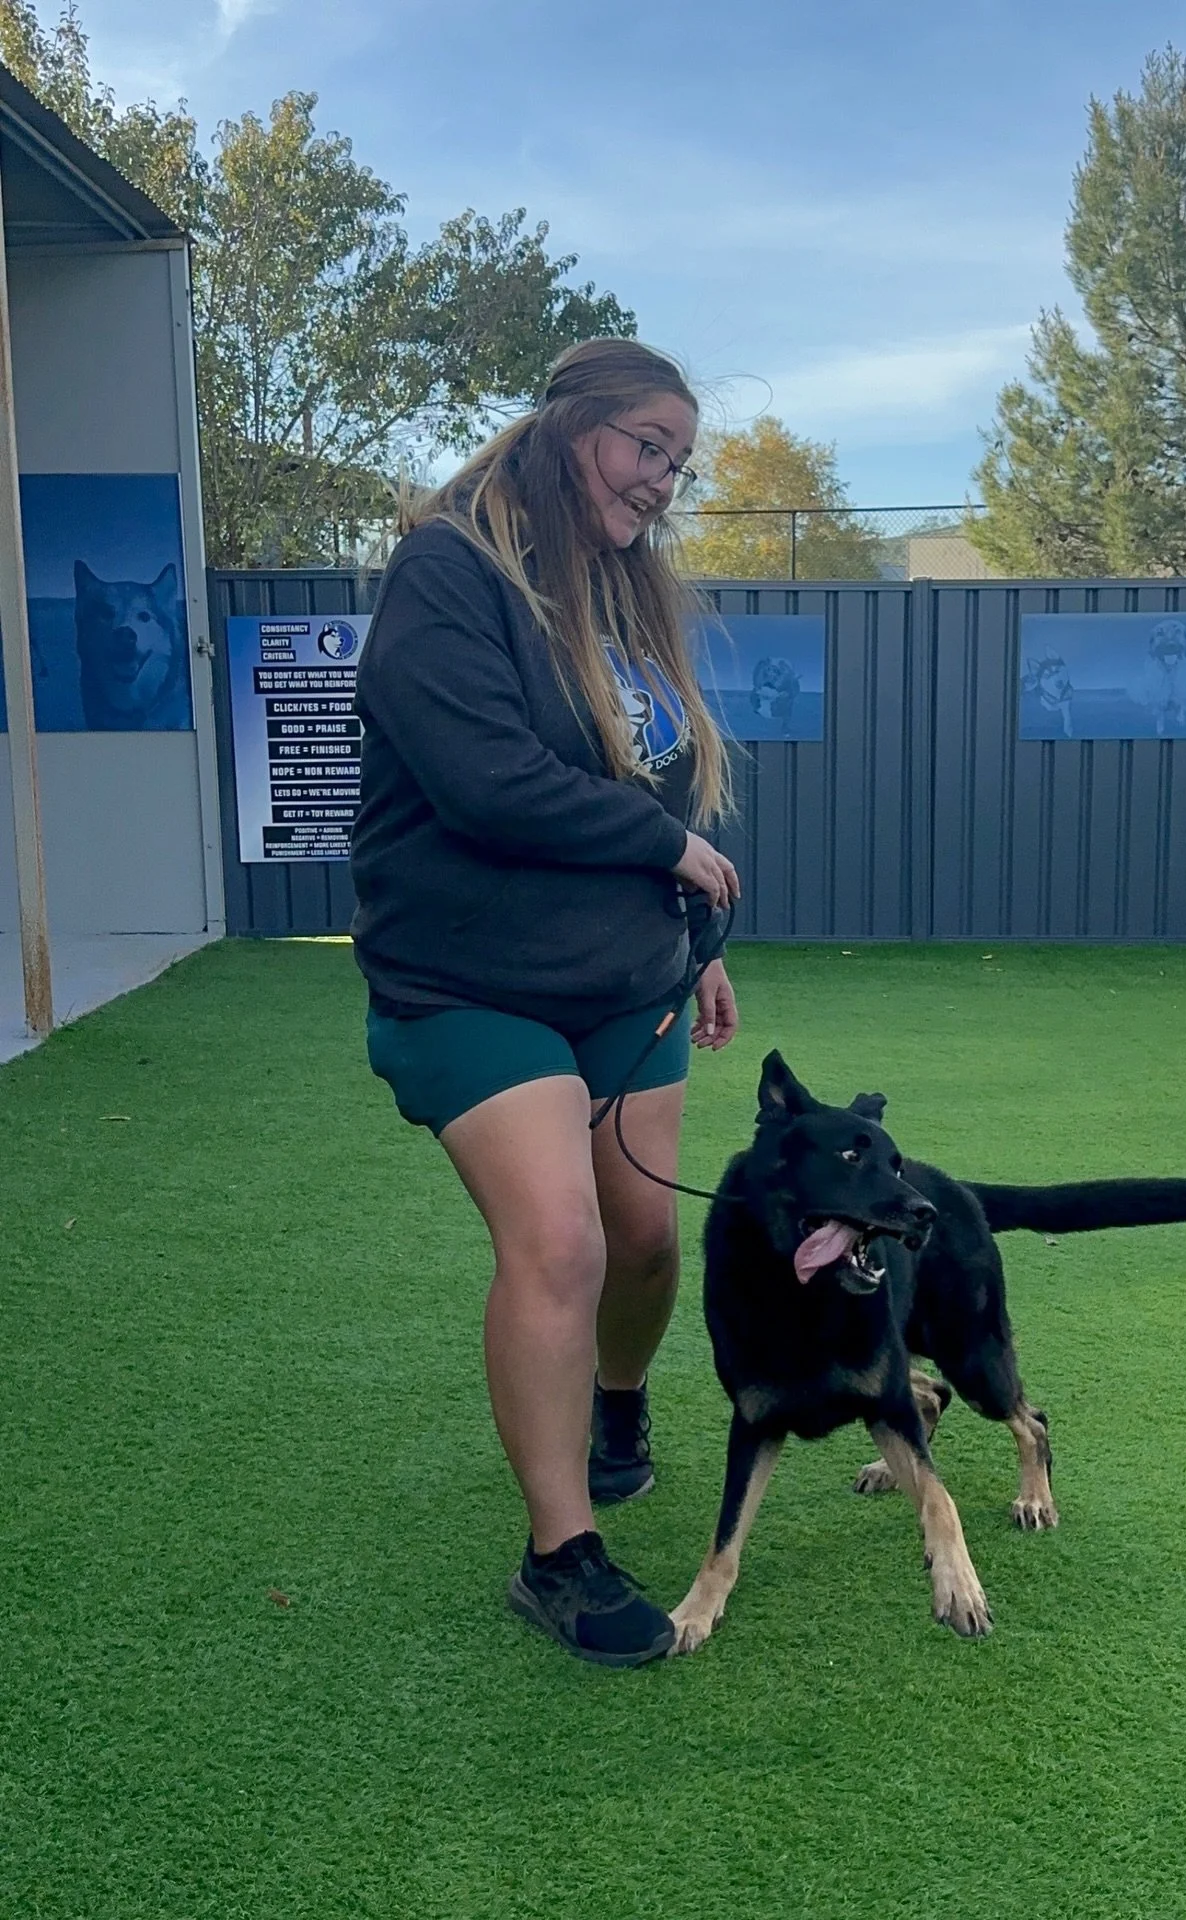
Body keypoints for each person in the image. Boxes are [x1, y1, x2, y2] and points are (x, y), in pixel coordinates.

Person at [350, 339, 741, 1668]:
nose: (662, 485)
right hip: (465, 981)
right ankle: (559, 1555)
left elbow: (655, 784)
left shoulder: (623, 592)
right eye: (647, 448)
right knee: (564, 1246)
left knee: (645, 1246)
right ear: (571, 426)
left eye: (678, 465)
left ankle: (616, 1405)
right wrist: (666, 857)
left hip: (626, 975)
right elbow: (484, 778)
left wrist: (694, 939)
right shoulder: (448, 572)